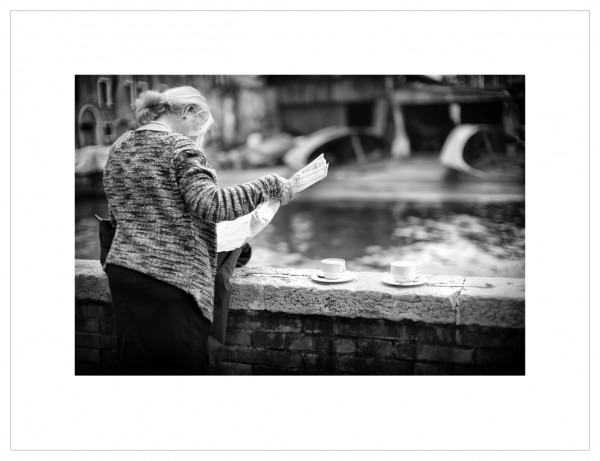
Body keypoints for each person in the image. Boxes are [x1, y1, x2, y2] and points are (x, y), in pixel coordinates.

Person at [102, 86, 293, 375]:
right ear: (188, 111)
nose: (196, 137)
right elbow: (212, 205)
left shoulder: (120, 146)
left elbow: (118, 216)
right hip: (172, 284)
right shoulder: (179, 148)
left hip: (124, 276)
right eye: (199, 127)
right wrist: (268, 185)